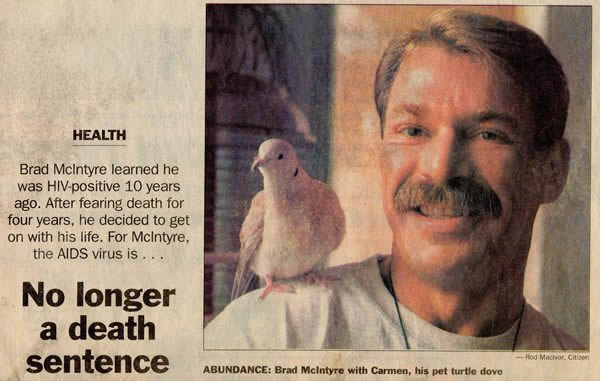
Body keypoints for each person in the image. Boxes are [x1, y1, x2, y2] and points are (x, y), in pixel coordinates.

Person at [205, 9, 584, 350]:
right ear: (382, 157)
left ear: (551, 172)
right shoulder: (262, 340)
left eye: (489, 134)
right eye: (414, 130)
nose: (439, 169)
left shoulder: (573, 361)